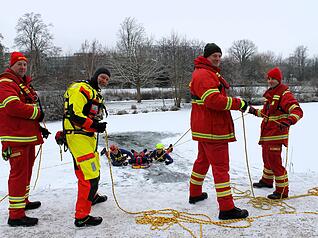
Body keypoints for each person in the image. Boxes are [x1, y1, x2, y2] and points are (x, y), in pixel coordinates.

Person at [189, 43, 249, 220]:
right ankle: (227, 208)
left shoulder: (203, 72)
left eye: (219, 55)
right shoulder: (204, 74)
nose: (217, 58)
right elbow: (214, 101)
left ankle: (195, 193)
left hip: (205, 128)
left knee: (202, 161)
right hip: (213, 129)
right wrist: (238, 103)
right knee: (221, 168)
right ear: (206, 56)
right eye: (214, 55)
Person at [0, 52, 50, 227]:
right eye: (19, 64)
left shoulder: (20, 84)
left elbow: (25, 106)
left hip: (26, 135)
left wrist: (39, 128)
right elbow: (12, 106)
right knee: (19, 175)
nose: (22, 67)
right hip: (15, 138)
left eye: (24, 64)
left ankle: (23, 202)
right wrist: (36, 113)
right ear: (11, 65)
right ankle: (15, 215)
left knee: (26, 172)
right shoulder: (6, 83)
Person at [63, 67, 110, 227]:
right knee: (89, 177)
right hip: (78, 136)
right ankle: (81, 217)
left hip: (87, 137)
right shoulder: (80, 88)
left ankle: (93, 196)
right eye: (102, 77)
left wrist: (95, 126)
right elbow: (74, 114)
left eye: (107, 79)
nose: (104, 81)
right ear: (96, 75)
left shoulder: (95, 92)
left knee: (93, 169)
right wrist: (95, 125)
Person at [248, 67, 303, 199]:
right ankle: (267, 181)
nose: (270, 81)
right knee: (267, 159)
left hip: (277, 134)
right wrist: (254, 111)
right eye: (269, 78)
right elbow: (267, 114)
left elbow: (297, 111)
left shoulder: (284, 94)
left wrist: (289, 121)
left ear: (279, 79)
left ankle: (282, 190)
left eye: (273, 79)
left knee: (275, 162)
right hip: (267, 134)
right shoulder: (271, 94)